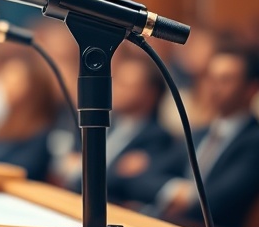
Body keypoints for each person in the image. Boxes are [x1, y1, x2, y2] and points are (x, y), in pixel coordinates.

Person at [142, 42, 259, 227]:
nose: (214, 87)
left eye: (226, 80)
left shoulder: (254, 141)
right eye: (210, 78)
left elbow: (218, 201)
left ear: (251, 88)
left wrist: (187, 197)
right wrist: (175, 191)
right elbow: (144, 177)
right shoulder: (199, 133)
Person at [60, 56, 179, 203]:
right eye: (116, 81)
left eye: (126, 85)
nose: (115, 89)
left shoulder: (157, 138)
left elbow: (123, 184)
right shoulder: (103, 119)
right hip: (70, 197)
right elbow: (69, 158)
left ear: (150, 94)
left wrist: (79, 168)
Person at [0, 55, 57, 182]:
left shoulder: (40, 130)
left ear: (33, 87)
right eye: (5, 80)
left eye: (15, 81)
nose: (8, 87)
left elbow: (24, 169)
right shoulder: (1, 124)